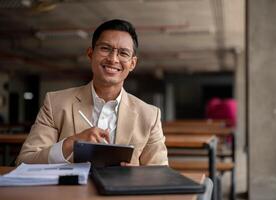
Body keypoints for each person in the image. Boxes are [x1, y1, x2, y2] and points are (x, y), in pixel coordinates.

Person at [16, 19, 168, 166]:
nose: (113, 59)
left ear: (132, 63)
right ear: (90, 54)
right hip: (68, 192)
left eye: (123, 53)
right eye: (105, 48)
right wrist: (71, 143)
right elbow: (24, 161)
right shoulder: (55, 103)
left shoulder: (150, 116)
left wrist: (138, 175)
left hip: (120, 193)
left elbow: (161, 173)